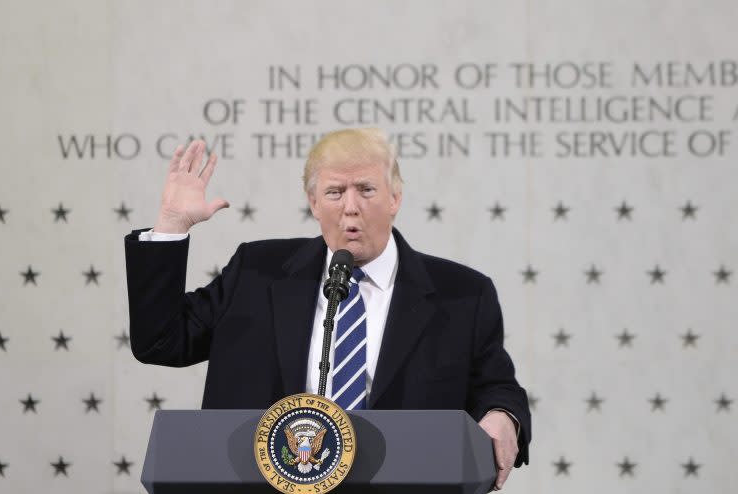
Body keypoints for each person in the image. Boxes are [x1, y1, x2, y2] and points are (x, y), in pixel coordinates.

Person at [124, 128, 530, 490]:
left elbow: (497, 385)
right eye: (335, 192)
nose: (350, 207)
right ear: (314, 202)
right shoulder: (256, 273)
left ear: (395, 198)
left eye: (366, 190)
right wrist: (171, 226)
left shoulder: (462, 294)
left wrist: (502, 415)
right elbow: (161, 340)